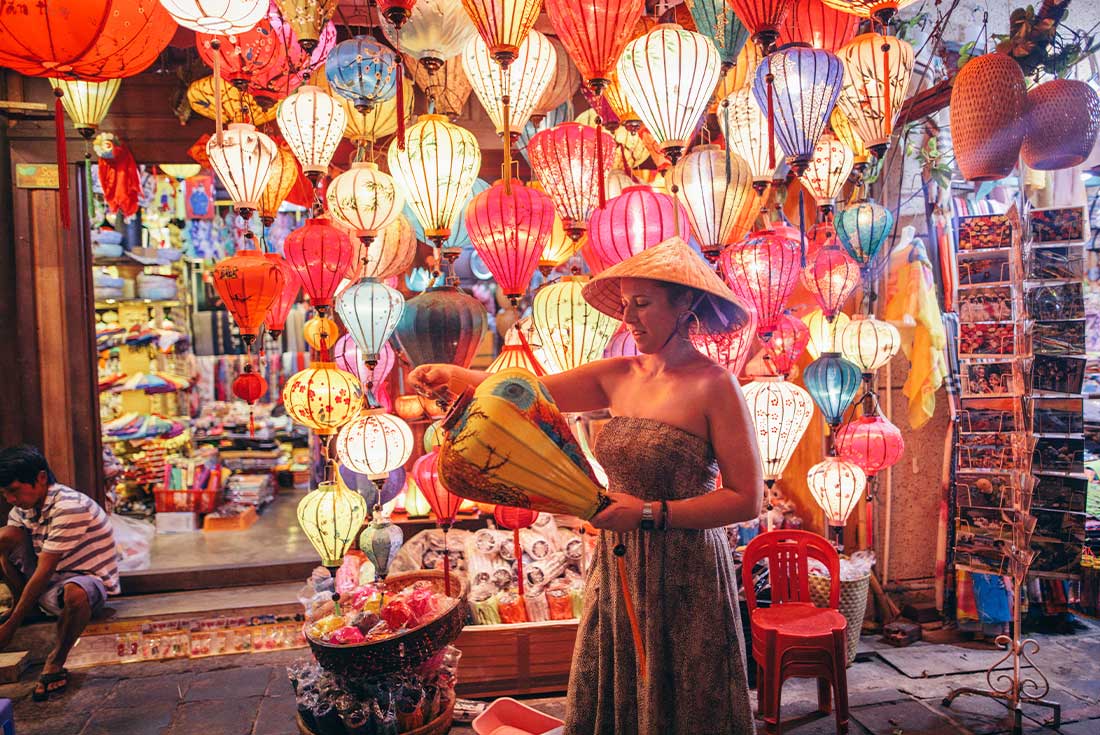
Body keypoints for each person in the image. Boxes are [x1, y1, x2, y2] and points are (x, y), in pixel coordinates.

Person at [410, 237, 762, 734]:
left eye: (643, 304)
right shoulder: (618, 374)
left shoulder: (716, 385)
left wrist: (649, 513)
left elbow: (746, 498)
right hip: (619, 563)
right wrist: (454, 375)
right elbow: (523, 395)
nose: (629, 318)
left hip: (686, 569)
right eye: (626, 305)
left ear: (684, 303)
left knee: (684, 694)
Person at [0, 445, 119, 701]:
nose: (10, 499)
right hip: (48, 585)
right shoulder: (21, 509)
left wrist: (11, 626)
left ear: (41, 478)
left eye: (14, 490)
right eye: (5, 493)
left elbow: (44, 572)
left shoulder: (69, 506)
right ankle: (23, 608)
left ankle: (55, 662)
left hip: (85, 582)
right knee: (4, 536)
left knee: (75, 593)